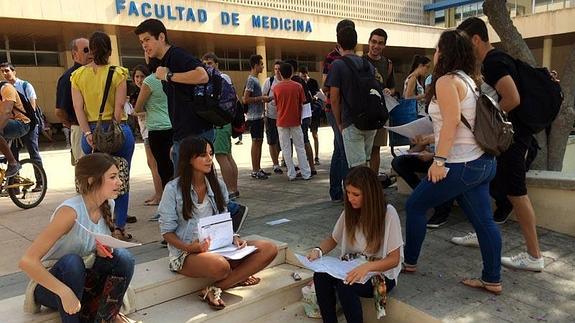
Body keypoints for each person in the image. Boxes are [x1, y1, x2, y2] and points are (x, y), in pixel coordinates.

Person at [403, 29, 502, 294]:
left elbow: (452, 122)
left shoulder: (447, 81)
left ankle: (409, 262)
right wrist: (427, 138)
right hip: (481, 162)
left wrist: (439, 161)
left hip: (462, 164)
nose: (434, 54)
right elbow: (455, 123)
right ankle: (492, 279)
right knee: (484, 222)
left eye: (437, 49)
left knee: (414, 206)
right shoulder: (468, 79)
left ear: (444, 52)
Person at [453, 17, 544, 272]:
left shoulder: (494, 62)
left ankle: (534, 255)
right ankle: (481, 230)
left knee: (517, 193)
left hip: (512, 139)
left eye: (464, 43)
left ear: (475, 39)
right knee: (484, 183)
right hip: (509, 138)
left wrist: (488, 122)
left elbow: (512, 98)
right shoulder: (496, 60)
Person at [158, 136, 278, 310]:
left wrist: (234, 237)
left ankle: (215, 287)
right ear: (189, 158)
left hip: (219, 246)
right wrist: (190, 247)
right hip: (186, 253)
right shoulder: (172, 189)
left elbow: (223, 218)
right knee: (220, 266)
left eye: (211, 154)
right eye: (203, 155)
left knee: (269, 248)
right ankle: (236, 277)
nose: (209, 159)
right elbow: (166, 232)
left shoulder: (218, 185)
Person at [19, 153, 136, 323]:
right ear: (91, 180)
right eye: (113, 177)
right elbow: (27, 262)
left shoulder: (108, 204)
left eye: (118, 176)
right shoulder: (70, 212)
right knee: (72, 262)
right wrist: (64, 291)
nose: (119, 181)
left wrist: (102, 252)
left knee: (124, 258)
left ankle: (107, 318)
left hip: (85, 280)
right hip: (52, 285)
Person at [307, 166, 403, 323]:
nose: (351, 198)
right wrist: (318, 250)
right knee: (320, 276)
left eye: (356, 194)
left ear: (370, 195)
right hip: (351, 266)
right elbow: (333, 239)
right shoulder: (350, 211)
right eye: (348, 193)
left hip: (380, 274)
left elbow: (394, 259)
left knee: (346, 285)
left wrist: (366, 267)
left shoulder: (388, 214)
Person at [72, 31, 135, 241]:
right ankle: (118, 227)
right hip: (117, 132)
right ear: (109, 51)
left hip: (90, 133)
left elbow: (78, 109)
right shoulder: (118, 73)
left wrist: (89, 133)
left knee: (94, 181)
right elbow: (118, 110)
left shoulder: (77, 76)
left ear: (90, 50)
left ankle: (97, 226)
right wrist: (111, 131)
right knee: (120, 178)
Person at [134, 18, 211, 170]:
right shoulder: (162, 62)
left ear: (161, 37)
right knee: (188, 185)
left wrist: (169, 76)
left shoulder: (176, 55)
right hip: (182, 133)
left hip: (194, 132)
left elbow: (202, 76)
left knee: (192, 185)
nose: (144, 45)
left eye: (147, 39)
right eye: (141, 41)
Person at [326, 26, 377, 168]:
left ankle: (358, 190)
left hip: (351, 120)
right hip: (370, 120)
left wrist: (339, 123)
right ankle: (367, 190)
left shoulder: (338, 65)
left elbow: (334, 98)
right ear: (355, 43)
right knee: (365, 164)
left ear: (338, 44)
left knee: (356, 169)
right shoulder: (368, 65)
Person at [132, 64, 173, 212]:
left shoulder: (150, 82)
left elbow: (137, 109)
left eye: (141, 76)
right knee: (168, 165)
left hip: (155, 128)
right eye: (136, 76)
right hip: (170, 126)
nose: (139, 79)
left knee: (158, 166)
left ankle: (162, 197)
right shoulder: (170, 77)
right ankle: (163, 196)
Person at [390, 134, 453, 228]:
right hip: (429, 156)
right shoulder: (433, 121)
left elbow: (453, 148)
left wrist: (432, 156)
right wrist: (411, 152)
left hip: (446, 159)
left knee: (444, 169)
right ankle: (424, 194)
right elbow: (423, 143)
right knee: (398, 162)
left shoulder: (450, 122)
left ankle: (442, 210)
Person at [322, 19, 354, 202]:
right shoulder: (331, 58)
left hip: (349, 109)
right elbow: (326, 86)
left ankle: (336, 191)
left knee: (339, 150)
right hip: (335, 110)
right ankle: (344, 191)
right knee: (344, 151)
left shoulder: (354, 58)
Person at [201, 52, 241, 199]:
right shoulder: (224, 78)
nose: (207, 66)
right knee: (228, 155)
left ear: (216, 64)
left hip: (219, 122)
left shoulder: (218, 78)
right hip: (224, 122)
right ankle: (234, 188)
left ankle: (230, 190)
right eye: (204, 64)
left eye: (210, 63)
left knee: (222, 156)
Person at [1, 62, 45, 190]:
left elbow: (32, 107)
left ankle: (40, 182)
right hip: (9, 123)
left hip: (27, 123)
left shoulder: (24, 85)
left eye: (7, 70)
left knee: (33, 152)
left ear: (14, 71)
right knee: (12, 153)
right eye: (2, 71)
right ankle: (14, 187)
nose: (5, 73)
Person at [363, 28, 396, 175]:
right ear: (369, 42)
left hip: (380, 112)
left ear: (384, 46)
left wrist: (390, 91)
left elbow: (393, 87)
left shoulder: (388, 64)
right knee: (363, 150)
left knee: (375, 149)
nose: (376, 46)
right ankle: (362, 183)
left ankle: (373, 182)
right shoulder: (361, 61)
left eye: (380, 43)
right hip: (363, 111)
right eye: (374, 42)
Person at [55, 38, 93, 165]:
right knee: (85, 172)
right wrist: (73, 125)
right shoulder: (68, 78)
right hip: (80, 129)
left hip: (98, 128)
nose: (91, 53)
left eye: (92, 49)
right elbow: (60, 111)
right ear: (74, 54)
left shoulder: (96, 72)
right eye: (86, 50)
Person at [274, 63, 312, 181]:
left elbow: (276, 104)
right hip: (296, 120)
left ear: (280, 72)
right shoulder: (298, 86)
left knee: (286, 148)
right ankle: (306, 173)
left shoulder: (276, 88)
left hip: (281, 120)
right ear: (291, 72)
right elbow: (303, 102)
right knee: (300, 147)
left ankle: (291, 174)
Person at [285, 59, 317, 176]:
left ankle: (304, 169)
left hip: (300, 115)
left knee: (300, 142)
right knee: (305, 140)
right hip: (307, 113)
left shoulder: (293, 82)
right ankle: (311, 167)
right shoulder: (301, 81)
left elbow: (300, 100)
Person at [242, 54, 272, 180]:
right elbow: (245, 99)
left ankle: (258, 168)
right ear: (255, 66)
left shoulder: (255, 80)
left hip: (258, 116)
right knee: (256, 142)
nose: (263, 66)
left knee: (259, 142)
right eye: (261, 64)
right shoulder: (251, 80)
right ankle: (255, 170)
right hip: (253, 117)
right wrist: (262, 98)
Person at [0, 82, 30, 177]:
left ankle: (13, 163)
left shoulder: (6, 88)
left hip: (20, 123)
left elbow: (7, 112)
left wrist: (0, 128)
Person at [262, 60, 283, 175]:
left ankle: (284, 160)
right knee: (272, 141)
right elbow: (263, 96)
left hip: (284, 116)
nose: (277, 71)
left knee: (284, 141)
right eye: (275, 69)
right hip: (271, 115)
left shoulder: (286, 81)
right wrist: (264, 113)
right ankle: (275, 164)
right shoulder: (269, 81)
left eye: (279, 69)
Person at [299, 66, 322, 167]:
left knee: (314, 134)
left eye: (305, 76)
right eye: (302, 76)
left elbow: (318, 93)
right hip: (304, 113)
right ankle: (308, 156)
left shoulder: (313, 82)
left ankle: (316, 156)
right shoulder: (299, 83)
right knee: (304, 136)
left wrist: (315, 97)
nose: (303, 78)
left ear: (307, 74)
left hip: (314, 110)